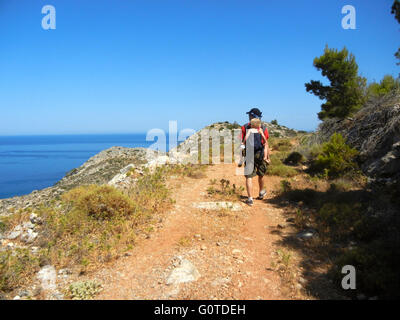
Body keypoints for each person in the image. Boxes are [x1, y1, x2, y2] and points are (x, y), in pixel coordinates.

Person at [240, 108, 270, 206]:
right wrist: (267, 156)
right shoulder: (263, 128)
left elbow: (242, 142)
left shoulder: (245, 127)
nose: (249, 116)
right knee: (261, 174)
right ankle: (261, 192)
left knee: (249, 177)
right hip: (260, 154)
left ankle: (250, 199)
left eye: (250, 115)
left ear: (253, 116)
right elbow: (266, 144)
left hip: (249, 154)